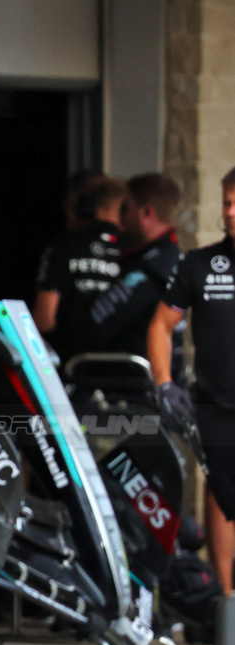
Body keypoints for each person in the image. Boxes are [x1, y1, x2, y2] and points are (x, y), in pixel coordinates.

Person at [147, 166, 235, 597]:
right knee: (221, 494)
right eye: (227, 203)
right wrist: (164, 383)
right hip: (217, 403)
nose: (231, 212)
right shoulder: (200, 264)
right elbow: (162, 325)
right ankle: (226, 600)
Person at [33, 175, 127, 362]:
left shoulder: (62, 247)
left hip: (75, 367)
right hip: (128, 367)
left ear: (85, 207)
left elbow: (43, 320)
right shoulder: (136, 251)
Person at [87, 174, 182, 357]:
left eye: (125, 209)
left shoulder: (153, 268)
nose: (119, 220)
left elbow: (95, 325)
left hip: (128, 378)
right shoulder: (168, 257)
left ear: (146, 213)